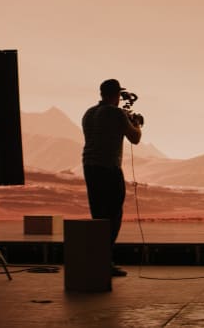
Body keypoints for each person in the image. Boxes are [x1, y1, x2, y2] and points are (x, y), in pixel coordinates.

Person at [82, 78, 142, 277]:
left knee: (98, 215)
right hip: (108, 168)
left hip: (90, 168)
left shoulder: (88, 113)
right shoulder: (116, 113)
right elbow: (135, 138)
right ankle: (105, 261)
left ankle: (98, 261)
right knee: (114, 214)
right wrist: (136, 124)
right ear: (116, 95)